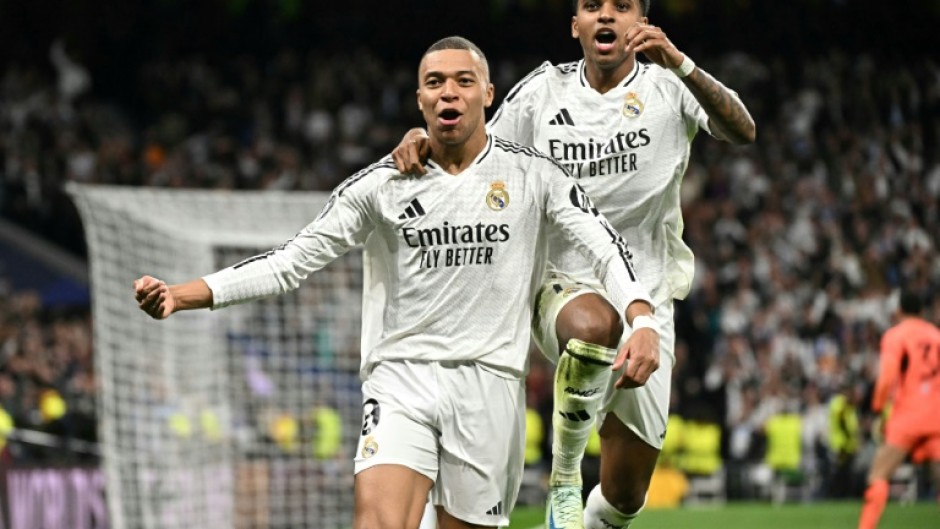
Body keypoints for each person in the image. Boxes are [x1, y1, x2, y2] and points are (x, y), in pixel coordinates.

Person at [134, 36, 659, 529]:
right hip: (400, 380)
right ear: (419, 99)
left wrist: (640, 317)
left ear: (488, 94)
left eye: (463, 80)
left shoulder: (532, 174)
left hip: (489, 383)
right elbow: (289, 261)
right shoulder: (382, 184)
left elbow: (603, 242)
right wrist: (182, 295)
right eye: (434, 83)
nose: (448, 92)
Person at [392, 2, 755, 528]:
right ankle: (563, 477)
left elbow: (742, 130)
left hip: (648, 300)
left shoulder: (669, 87)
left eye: (621, 6)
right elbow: (477, 143)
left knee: (626, 494)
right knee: (593, 326)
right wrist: (421, 138)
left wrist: (679, 61)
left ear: (641, 22)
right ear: (575, 25)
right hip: (560, 282)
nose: (605, 16)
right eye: (591, 7)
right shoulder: (543, 93)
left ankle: (573, 521)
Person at [857, 290, 940, 529]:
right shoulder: (936, 335)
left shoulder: (896, 336)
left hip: (908, 416)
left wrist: (877, 408)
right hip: (937, 416)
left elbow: (887, 377)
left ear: (899, 310)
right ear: (922, 312)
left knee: (878, 476)